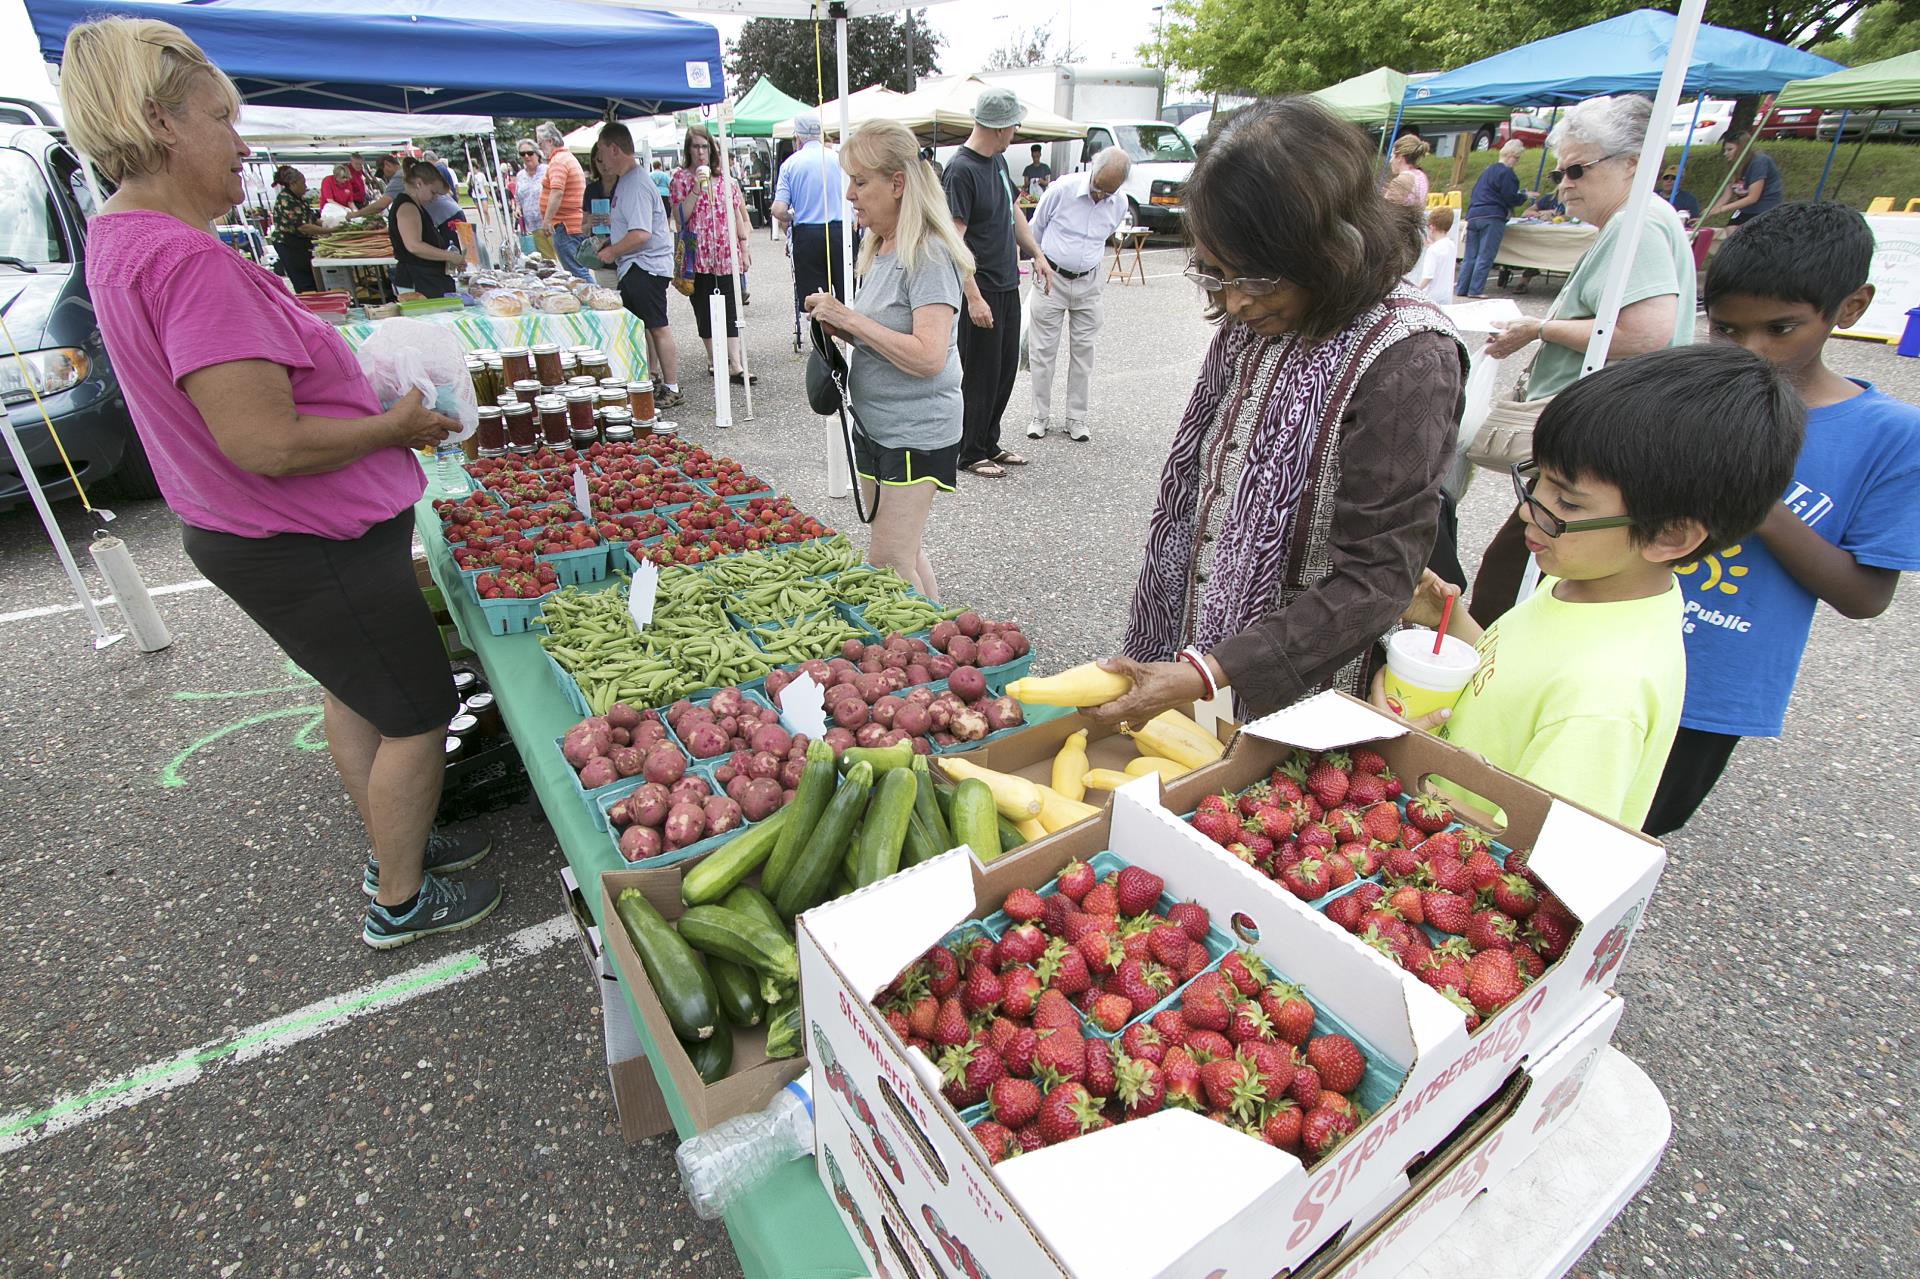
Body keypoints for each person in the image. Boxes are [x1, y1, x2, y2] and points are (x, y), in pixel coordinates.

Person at [60, 16, 499, 946]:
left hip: (259, 533)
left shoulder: (122, 237)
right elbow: (263, 441)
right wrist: (397, 426)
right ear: (161, 123)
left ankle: (395, 845)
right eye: (223, 118)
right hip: (304, 537)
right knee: (418, 709)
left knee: (356, 691)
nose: (242, 143)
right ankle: (401, 901)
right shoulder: (182, 258)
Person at [1077, 97, 1466, 727]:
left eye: (1255, 280)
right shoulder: (1261, 317)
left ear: (1332, 247)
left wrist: (1212, 672)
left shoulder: (1409, 360)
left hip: (1303, 690)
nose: (1234, 303)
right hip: (1199, 643)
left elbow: (1375, 579)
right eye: (1217, 275)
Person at [1383, 346, 1803, 828]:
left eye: (1567, 500)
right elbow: (1521, 680)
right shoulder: (1590, 585)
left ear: (1670, 536)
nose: (1528, 508)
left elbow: (1537, 841)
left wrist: (1398, 755)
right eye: (1538, 478)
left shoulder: (1606, 697)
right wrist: (1448, 621)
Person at [1645, 203, 1920, 837]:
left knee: (1631, 834)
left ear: (1848, 309)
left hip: (1710, 688)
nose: (1752, 352)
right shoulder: (1683, 397)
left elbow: (1866, 595)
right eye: (1728, 330)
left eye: (1781, 328)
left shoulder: (1890, 438)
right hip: (1606, 648)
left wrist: (1760, 505)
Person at [1470, 95, 1696, 626]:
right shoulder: (1641, 221)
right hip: (1612, 433)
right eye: (1558, 172)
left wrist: (1538, 327)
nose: (1564, 184)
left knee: (1518, 571)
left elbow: (1646, 333)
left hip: (1605, 436)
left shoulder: (1634, 224)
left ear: (1632, 167)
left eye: (1576, 169)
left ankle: (1487, 665)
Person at [803, 120, 972, 600]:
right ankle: (942, 641)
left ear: (897, 184)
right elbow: (890, 337)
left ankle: (919, 664)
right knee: (907, 551)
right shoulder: (879, 246)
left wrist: (850, 321)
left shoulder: (929, 254)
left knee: (886, 563)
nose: (851, 195)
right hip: (877, 427)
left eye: (861, 182)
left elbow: (929, 357)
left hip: (915, 433)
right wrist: (841, 327)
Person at [945, 87, 1053, 478]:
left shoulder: (999, 162)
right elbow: (953, 240)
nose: (1015, 134)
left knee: (1006, 368)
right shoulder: (961, 170)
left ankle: (989, 440)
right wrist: (972, 297)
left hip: (1008, 283)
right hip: (981, 287)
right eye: (1014, 127)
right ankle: (969, 450)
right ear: (1000, 128)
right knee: (980, 372)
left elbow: (1012, 213)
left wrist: (1037, 254)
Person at [1024, 146, 1131, 443]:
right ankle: (1039, 415)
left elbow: (1105, 235)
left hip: (1089, 281)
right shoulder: (1062, 190)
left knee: (1084, 351)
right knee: (1043, 351)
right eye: (1098, 188)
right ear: (1092, 170)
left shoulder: (1118, 202)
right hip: (1052, 276)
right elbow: (1036, 228)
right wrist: (1039, 261)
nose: (1100, 196)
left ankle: (1076, 418)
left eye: (1108, 192)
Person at [592, 123, 683, 412]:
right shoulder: (628, 181)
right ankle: (655, 380)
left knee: (657, 327)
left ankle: (672, 387)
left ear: (615, 149)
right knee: (646, 327)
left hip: (645, 267)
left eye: (602, 151)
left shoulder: (635, 183)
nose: (600, 159)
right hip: (637, 267)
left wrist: (611, 251)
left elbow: (641, 233)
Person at [670, 125, 755, 386]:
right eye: (695, 146)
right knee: (703, 309)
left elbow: (737, 215)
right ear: (688, 150)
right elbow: (679, 217)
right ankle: (713, 358)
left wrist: (744, 248)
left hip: (725, 253)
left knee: (731, 306)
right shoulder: (680, 179)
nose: (700, 152)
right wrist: (695, 189)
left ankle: (735, 362)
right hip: (697, 254)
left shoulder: (727, 180)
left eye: (704, 146)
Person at [773, 115, 850, 308]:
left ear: (798, 138)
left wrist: (792, 215)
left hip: (808, 235)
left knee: (815, 301)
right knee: (847, 295)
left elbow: (779, 209)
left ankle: (821, 336)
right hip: (841, 233)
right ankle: (848, 337)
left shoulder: (790, 164)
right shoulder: (839, 159)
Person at [1457, 138, 1535, 298]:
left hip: (1474, 215)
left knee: (1470, 256)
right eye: (1517, 158)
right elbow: (1510, 197)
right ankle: (1475, 290)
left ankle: (1462, 288)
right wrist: (1523, 196)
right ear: (1511, 155)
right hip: (1492, 216)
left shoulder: (1487, 171)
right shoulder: (1507, 173)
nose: (1517, 162)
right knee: (1485, 255)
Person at [388, 159, 465, 298]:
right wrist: (450, 256)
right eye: (433, 192)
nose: (434, 198)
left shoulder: (416, 206)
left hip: (427, 278)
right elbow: (414, 246)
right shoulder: (408, 207)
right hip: (418, 280)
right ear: (419, 183)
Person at [536, 122, 592, 281]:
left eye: (540, 143)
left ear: (550, 141)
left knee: (577, 273)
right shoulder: (566, 157)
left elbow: (557, 191)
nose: (540, 148)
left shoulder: (558, 161)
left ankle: (596, 299)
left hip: (566, 226)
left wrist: (547, 221)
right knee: (580, 270)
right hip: (574, 224)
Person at [1708, 130, 1782, 228]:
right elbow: (1726, 195)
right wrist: (1709, 212)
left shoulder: (1759, 162)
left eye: (1730, 149)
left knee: (1745, 233)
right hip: (1745, 209)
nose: (1725, 154)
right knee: (1731, 229)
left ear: (1741, 149)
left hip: (1764, 209)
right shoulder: (1734, 165)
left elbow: (1753, 197)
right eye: (1725, 150)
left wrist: (1722, 209)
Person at [269, 164, 323, 293]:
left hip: (300, 243)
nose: (305, 187)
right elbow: (304, 227)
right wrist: (329, 231)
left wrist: (328, 224)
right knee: (303, 281)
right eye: (303, 184)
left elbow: (312, 218)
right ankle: (310, 305)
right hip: (289, 244)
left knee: (311, 277)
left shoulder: (298, 198)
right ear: (293, 184)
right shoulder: (286, 200)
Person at [1409, 206, 1456, 305]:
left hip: (1431, 297)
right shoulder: (1451, 246)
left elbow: (1428, 276)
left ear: (1432, 227)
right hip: (1446, 296)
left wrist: (1414, 292)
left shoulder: (1433, 250)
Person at [512, 139, 545, 252]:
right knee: (539, 262)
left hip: (547, 225)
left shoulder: (547, 171)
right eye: (522, 154)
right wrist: (517, 208)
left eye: (530, 153)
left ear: (537, 154)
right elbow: (518, 197)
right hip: (530, 227)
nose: (526, 156)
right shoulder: (520, 175)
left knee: (555, 261)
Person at [1383, 134, 1431, 207]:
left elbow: (1385, 211)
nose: (1390, 161)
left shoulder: (1401, 181)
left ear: (1399, 157)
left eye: (1392, 156)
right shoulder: (1421, 175)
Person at [358, 152, 405, 219]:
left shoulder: (398, 177)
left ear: (387, 164)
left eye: (383, 172)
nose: (384, 176)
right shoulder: (405, 173)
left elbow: (381, 205)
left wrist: (356, 214)